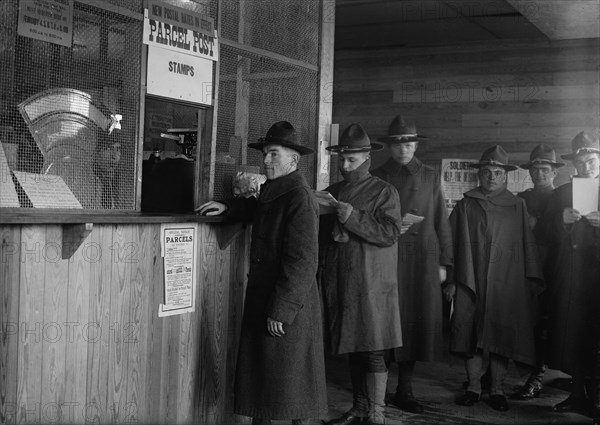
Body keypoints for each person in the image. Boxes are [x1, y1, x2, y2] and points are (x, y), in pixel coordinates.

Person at [197, 121, 327, 425]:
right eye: (266, 154)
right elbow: (259, 210)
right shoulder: (277, 190)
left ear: (293, 160)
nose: (266, 161)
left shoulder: (299, 197)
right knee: (265, 381)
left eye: (274, 155)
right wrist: (228, 208)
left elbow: (303, 261)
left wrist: (282, 310)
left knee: (295, 386)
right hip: (267, 296)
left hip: (288, 304)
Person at [445, 145, 544, 412]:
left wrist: (529, 280)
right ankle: (474, 386)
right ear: (480, 175)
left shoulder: (517, 205)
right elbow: (451, 244)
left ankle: (496, 389)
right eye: (486, 171)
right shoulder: (466, 204)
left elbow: (527, 243)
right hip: (470, 278)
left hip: (507, 281)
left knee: (501, 334)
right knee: (468, 331)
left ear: (506, 176)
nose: (491, 177)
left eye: (497, 172)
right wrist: (452, 280)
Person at [319, 123, 403, 425]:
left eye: (351, 160)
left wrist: (351, 216)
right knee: (354, 347)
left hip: (371, 283)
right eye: (341, 158)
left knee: (372, 349)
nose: (344, 165)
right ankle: (359, 407)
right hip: (342, 280)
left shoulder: (383, 191)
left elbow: (390, 233)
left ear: (367, 158)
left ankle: (377, 414)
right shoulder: (333, 191)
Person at [371, 115, 453, 413]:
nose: (403, 149)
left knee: (413, 322)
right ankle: (377, 391)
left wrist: (444, 262)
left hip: (421, 259)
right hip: (385, 255)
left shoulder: (430, 176)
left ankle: (405, 388)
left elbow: (441, 220)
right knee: (385, 319)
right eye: (397, 144)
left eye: (409, 143)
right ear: (390, 147)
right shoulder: (378, 175)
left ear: (416, 144)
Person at [541, 132, 600, 416]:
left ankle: (597, 403)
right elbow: (543, 232)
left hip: (597, 277)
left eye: (591, 161)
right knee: (574, 335)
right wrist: (560, 220)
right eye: (581, 162)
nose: (586, 167)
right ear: (573, 164)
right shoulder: (562, 193)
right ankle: (577, 396)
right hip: (573, 276)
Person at [511, 144, 564, 400]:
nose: (539, 174)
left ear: (554, 172)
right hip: (523, 268)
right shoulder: (521, 198)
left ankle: (538, 376)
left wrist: (539, 225)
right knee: (526, 322)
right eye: (535, 169)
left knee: (546, 323)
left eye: (544, 169)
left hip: (554, 268)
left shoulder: (564, 197)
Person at [94, 132, 122, 209]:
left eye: (118, 150)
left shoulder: (122, 183)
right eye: (109, 149)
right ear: (96, 152)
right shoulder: (86, 180)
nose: (114, 156)